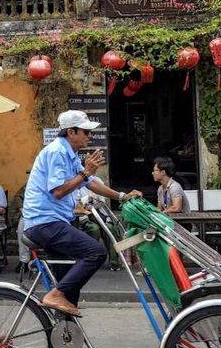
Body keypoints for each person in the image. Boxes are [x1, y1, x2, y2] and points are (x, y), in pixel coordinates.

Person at [22, 110, 142, 316]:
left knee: (71, 286)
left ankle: (69, 345)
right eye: (86, 132)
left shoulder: (70, 153)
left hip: (56, 222)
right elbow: (58, 191)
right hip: (44, 223)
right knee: (96, 252)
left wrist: (121, 196)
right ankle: (55, 295)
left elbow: (91, 183)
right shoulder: (56, 152)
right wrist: (86, 172)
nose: (89, 136)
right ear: (71, 132)